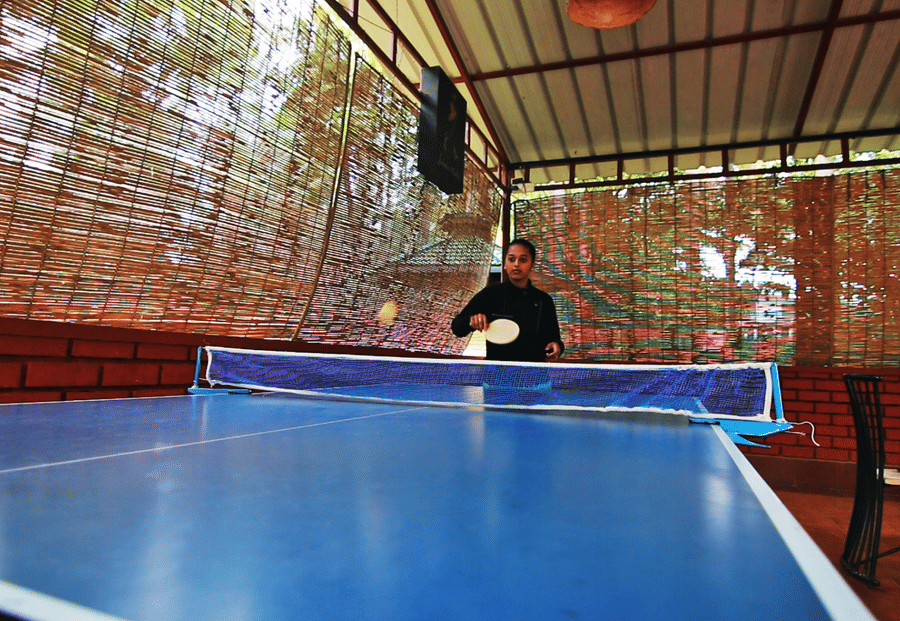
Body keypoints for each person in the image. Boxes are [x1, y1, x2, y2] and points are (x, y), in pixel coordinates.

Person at [452, 239, 564, 362]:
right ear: (505, 263)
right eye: (511, 259)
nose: (516, 264)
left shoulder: (544, 300)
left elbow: (555, 338)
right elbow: (457, 327)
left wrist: (556, 346)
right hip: (496, 376)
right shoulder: (489, 295)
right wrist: (470, 321)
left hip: (535, 376)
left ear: (532, 265)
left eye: (523, 260)